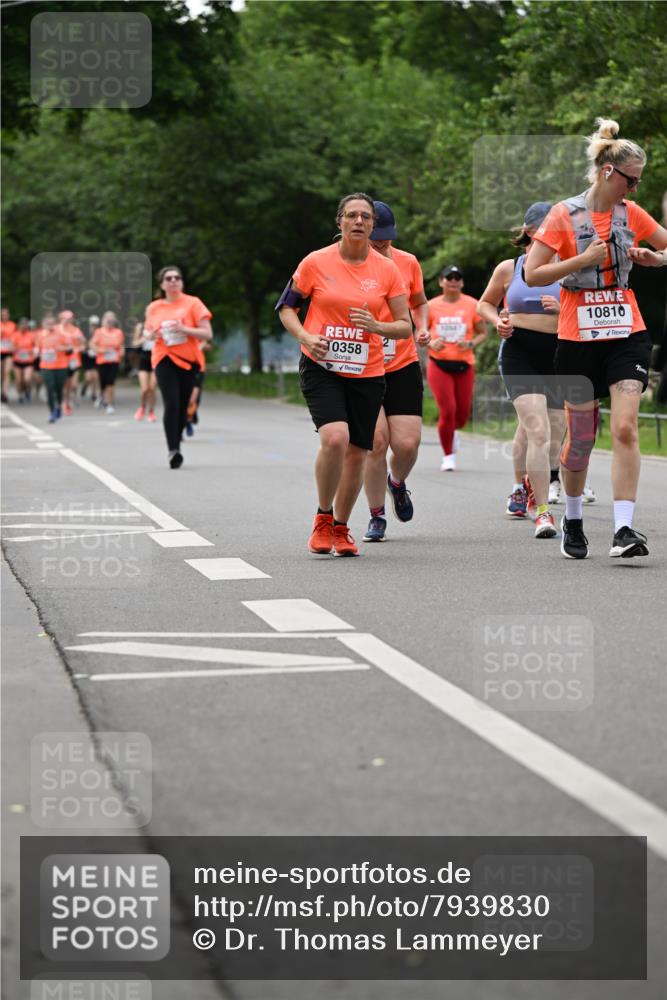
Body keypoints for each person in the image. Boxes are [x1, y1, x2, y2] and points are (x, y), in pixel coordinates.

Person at [525, 117, 667, 559]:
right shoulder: (564, 214)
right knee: (582, 436)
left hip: (627, 330)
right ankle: (572, 517)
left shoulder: (631, 215)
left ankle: (624, 530)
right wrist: (580, 259)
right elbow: (533, 273)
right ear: (609, 172)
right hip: (577, 335)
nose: (635, 190)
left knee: (625, 427)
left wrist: (654, 258)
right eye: (632, 180)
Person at [277, 192, 411, 556]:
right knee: (335, 438)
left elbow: (405, 325)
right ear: (339, 222)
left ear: (372, 225)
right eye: (351, 215)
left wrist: (378, 326)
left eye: (365, 217)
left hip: (367, 371)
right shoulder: (315, 262)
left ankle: (341, 527)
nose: (358, 222)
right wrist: (306, 335)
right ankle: (322, 518)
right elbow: (286, 308)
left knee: (357, 452)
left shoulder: (387, 270)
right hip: (322, 365)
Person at [478, 202, 564, 538]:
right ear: (529, 230)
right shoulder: (509, 268)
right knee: (537, 431)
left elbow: (586, 305)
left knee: (552, 436)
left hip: (559, 354)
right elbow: (484, 303)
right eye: (545, 229)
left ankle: (527, 482)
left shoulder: (569, 267)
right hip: (519, 352)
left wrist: (564, 306)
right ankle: (541, 509)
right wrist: (496, 319)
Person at [361, 200, 430, 542]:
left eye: (387, 239)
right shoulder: (350, 265)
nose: (383, 246)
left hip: (401, 362)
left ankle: (397, 483)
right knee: (375, 442)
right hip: (363, 365)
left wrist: (422, 327)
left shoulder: (407, 262)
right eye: (377, 241)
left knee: (407, 443)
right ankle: (376, 515)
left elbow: (419, 302)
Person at [143, 266, 213, 468]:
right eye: (168, 278)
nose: (173, 281)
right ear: (162, 284)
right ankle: (173, 450)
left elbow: (207, 334)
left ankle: (178, 434)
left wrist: (184, 329)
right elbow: (147, 332)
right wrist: (150, 335)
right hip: (163, 357)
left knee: (183, 406)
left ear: (181, 282)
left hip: (189, 360)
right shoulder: (154, 308)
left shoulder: (193, 303)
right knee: (171, 402)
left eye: (177, 277)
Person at [426, 266, 487, 471]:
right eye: (448, 277)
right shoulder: (431, 305)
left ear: (461, 283)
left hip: (464, 364)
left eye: (457, 278)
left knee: (461, 415)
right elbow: (420, 332)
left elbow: (482, 333)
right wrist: (430, 342)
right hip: (439, 363)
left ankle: (453, 432)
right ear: (441, 282)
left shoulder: (472, 304)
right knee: (448, 409)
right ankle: (448, 456)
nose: (453, 281)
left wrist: (470, 344)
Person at [37, 313, 71, 422]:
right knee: (50, 389)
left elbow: (70, 348)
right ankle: (52, 412)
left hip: (61, 366)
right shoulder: (40, 335)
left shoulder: (61, 334)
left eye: (51, 323)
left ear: (55, 324)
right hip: (46, 366)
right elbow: (37, 349)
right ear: (43, 324)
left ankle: (58, 406)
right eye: (47, 323)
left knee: (59, 389)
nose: (49, 325)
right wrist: (37, 352)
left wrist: (63, 348)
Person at [90, 311, 125, 414]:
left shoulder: (118, 332)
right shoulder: (99, 332)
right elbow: (92, 344)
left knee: (111, 383)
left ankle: (109, 404)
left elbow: (121, 345)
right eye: (107, 319)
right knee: (103, 383)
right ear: (104, 320)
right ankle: (101, 395)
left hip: (114, 361)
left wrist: (122, 353)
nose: (109, 321)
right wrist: (100, 350)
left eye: (111, 319)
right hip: (102, 361)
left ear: (114, 320)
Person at [58, 310, 85, 415]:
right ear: (61, 319)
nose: (67, 320)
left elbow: (83, 344)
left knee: (73, 384)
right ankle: (66, 402)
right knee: (65, 384)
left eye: (69, 318)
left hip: (74, 360)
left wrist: (80, 346)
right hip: (61, 361)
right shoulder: (57, 330)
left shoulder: (76, 330)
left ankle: (71, 398)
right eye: (65, 318)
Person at [132, 318, 157, 422]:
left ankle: (151, 411)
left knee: (152, 388)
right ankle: (142, 407)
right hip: (144, 359)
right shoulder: (140, 326)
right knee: (144, 389)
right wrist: (144, 339)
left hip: (156, 358)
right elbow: (134, 343)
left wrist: (155, 337)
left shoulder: (159, 324)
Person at [11, 317, 37, 402]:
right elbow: (11, 347)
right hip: (17, 361)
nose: (24, 326)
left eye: (25, 324)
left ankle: (28, 391)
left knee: (27, 379)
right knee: (19, 381)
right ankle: (20, 395)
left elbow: (36, 346)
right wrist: (17, 349)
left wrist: (33, 351)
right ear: (18, 325)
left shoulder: (32, 335)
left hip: (28, 361)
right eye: (22, 324)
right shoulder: (15, 334)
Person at [81, 315, 101, 402]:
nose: (94, 326)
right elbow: (82, 345)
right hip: (87, 356)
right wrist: (86, 348)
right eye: (93, 324)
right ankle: (85, 384)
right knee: (89, 377)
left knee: (95, 376)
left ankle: (94, 393)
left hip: (96, 356)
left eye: (95, 324)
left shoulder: (100, 333)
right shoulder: (85, 333)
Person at [1, 307, 17, 403]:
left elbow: (15, 337)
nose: (4, 316)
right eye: (3, 314)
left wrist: (13, 344)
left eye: (6, 314)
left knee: (7, 372)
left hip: (9, 352)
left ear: (9, 315)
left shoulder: (13, 325)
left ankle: (5, 393)